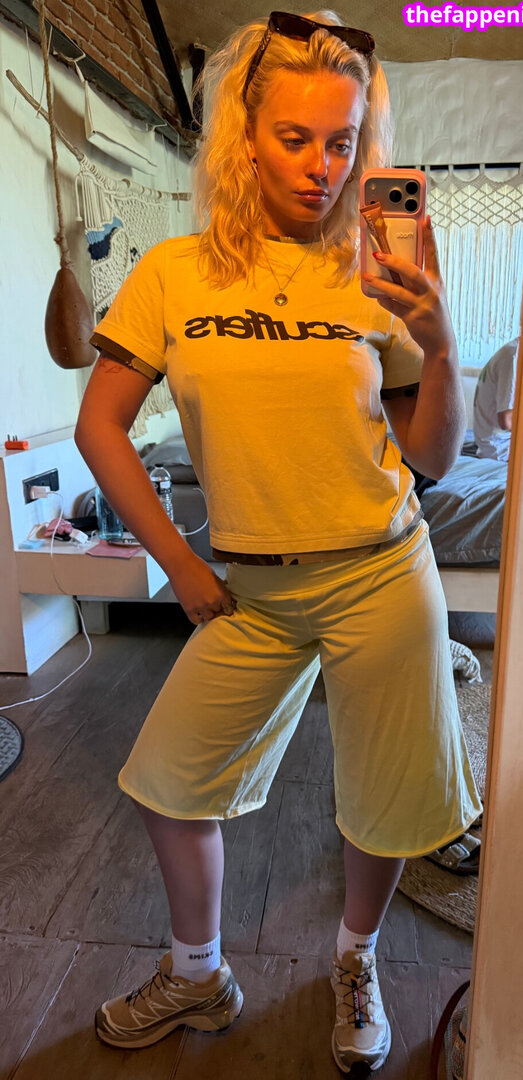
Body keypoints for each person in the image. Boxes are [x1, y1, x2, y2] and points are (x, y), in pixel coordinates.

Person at [75, 9, 482, 1074]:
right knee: (166, 785)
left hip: (381, 570)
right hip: (248, 589)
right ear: (244, 138)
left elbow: (434, 457)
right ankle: (199, 973)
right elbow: (99, 426)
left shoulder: (374, 271)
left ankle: (354, 960)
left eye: (342, 140)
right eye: (294, 137)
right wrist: (179, 561)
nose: (321, 165)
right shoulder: (174, 274)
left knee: (383, 804)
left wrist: (441, 345)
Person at [472, 336, 519, 461]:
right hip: (500, 449)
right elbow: (506, 420)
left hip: (494, 444)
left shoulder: (512, 351)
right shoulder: (513, 356)